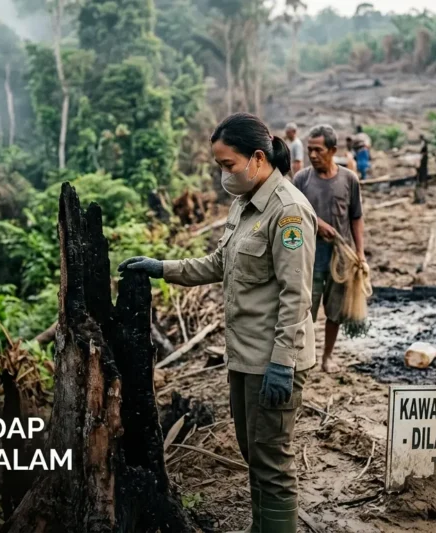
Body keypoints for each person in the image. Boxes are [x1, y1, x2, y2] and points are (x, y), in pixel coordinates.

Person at [119, 113, 317, 533]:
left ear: (257, 158)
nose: (223, 175)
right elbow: (218, 263)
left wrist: (282, 362)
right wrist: (162, 267)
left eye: (228, 165)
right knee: (253, 453)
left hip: (274, 361)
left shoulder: (289, 213)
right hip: (245, 356)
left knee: (272, 463)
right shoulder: (245, 203)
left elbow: (296, 295)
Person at [293, 125, 365, 374]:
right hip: (309, 255)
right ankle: (305, 357)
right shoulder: (302, 179)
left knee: (334, 309)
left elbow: (356, 217)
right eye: (309, 150)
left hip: (340, 255)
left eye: (318, 150)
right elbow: (292, 215)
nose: (312, 155)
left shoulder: (349, 179)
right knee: (305, 308)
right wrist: (317, 223)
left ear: (333, 150)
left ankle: (327, 357)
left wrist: (360, 253)